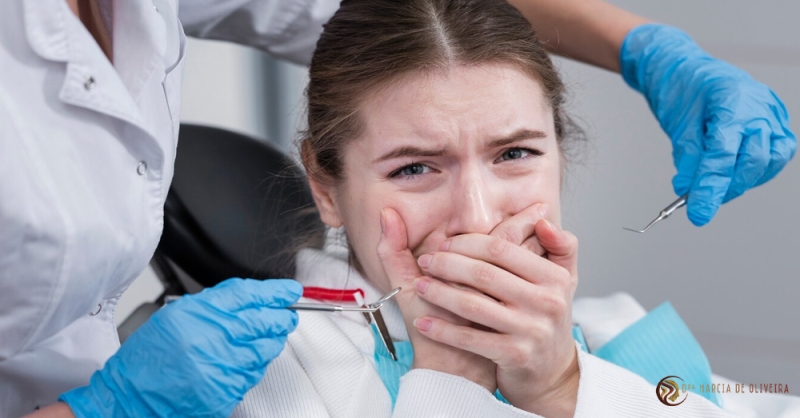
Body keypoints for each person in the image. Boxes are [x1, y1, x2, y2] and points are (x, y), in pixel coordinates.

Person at [0, 0, 793, 417]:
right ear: (325, 185)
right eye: (415, 167)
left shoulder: (614, 332)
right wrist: (448, 388)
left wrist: (568, 385)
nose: (477, 217)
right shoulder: (254, 385)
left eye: (516, 153)